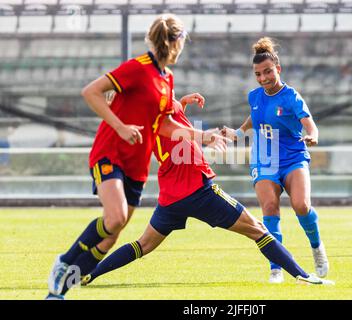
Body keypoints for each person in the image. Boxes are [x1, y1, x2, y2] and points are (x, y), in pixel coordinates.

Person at [46, 14, 228, 300]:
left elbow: (166, 125)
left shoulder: (167, 79)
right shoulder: (138, 68)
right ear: (175, 42)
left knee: (111, 235)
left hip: (138, 163)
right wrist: (120, 126)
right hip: (111, 151)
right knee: (115, 217)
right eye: (183, 41)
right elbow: (91, 92)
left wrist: (203, 136)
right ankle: (65, 261)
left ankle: (58, 294)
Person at [77, 97, 334, 295]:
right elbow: (176, 127)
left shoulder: (154, 117)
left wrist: (183, 102)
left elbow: (170, 117)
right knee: (258, 230)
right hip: (198, 190)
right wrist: (206, 135)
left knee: (143, 244)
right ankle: (303, 275)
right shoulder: (164, 114)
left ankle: (90, 273)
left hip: (171, 197)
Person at [221, 37, 329, 284]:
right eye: (258, 74)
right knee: (269, 207)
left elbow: (309, 124)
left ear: (278, 69)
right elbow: (255, 117)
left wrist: (312, 135)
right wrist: (238, 133)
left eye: (267, 72)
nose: (263, 78)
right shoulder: (254, 96)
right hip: (264, 160)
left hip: (292, 157)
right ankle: (276, 268)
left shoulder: (291, 96)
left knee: (301, 205)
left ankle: (316, 247)